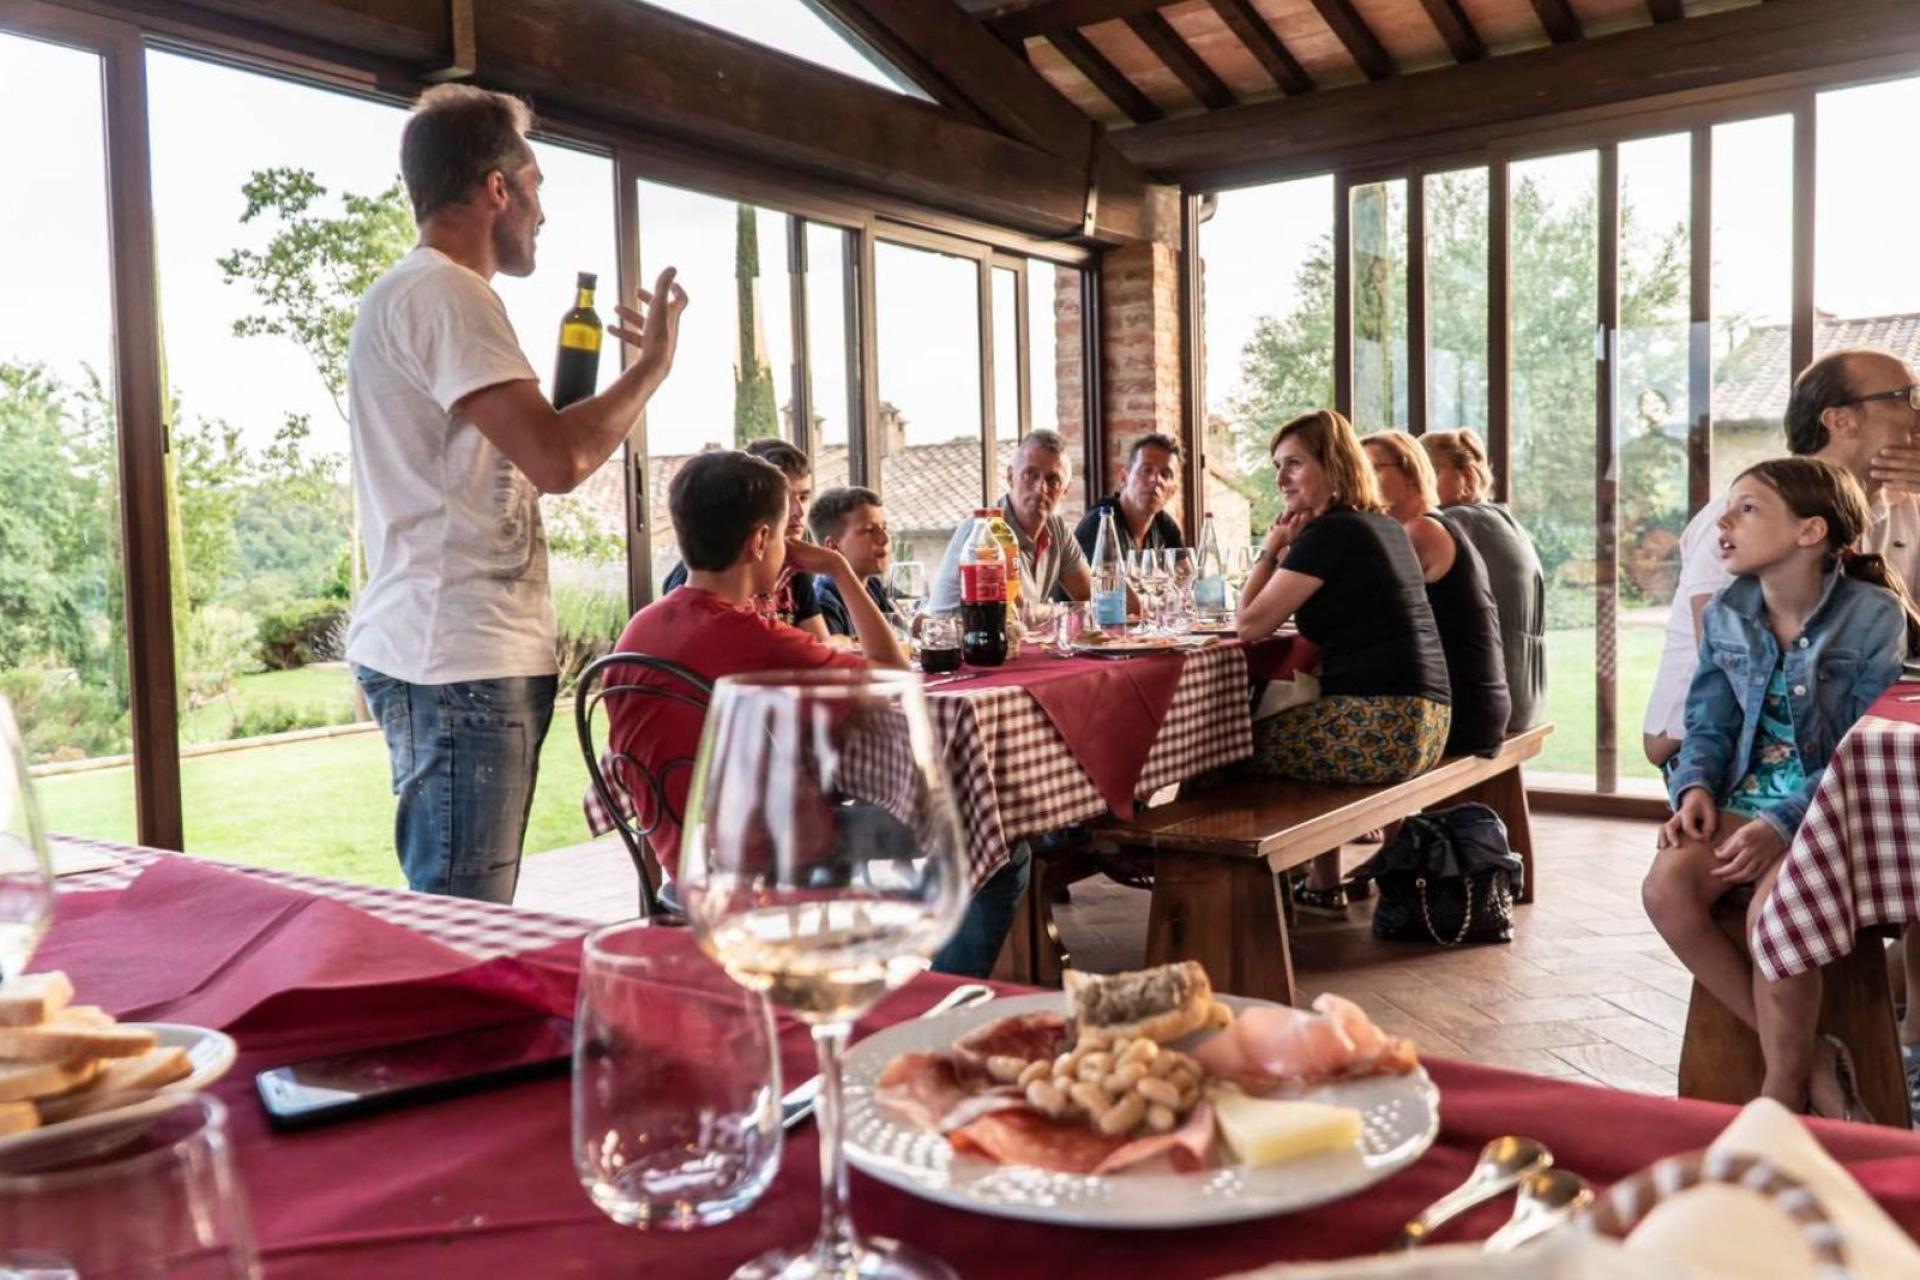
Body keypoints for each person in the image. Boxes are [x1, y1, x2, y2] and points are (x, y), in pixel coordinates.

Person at [345, 84, 685, 904]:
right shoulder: (445, 293)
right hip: (457, 656)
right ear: (498, 187)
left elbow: (535, 448)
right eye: (534, 186)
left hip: (453, 652)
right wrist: (652, 369)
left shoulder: (429, 295)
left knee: (466, 914)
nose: (541, 211)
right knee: (467, 925)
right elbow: (560, 460)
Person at [608, 450, 1026, 978]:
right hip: (773, 859)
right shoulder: (749, 637)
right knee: (1001, 850)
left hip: (686, 856)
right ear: (761, 542)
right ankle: (934, 997)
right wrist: (837, 568)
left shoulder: (639, 628)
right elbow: (891, 670)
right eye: (784, 534)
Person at [1642, 458, 1915, 1118]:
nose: (1723, 526)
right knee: (1666, 889)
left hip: (1834, 812)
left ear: (1810, 531)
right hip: (1747, 801)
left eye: (1747, 510)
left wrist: (1784, 826)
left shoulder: (1874, 616)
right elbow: (1709, 719)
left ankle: (1781, 1092)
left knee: (1775, 913)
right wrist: (1697, 790)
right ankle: (1811, 1057)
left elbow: (1860, 741)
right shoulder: (1731, 611)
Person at [1643, 348, 1920, 769]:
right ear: (1840, 420)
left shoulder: (1905, 506)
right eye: (1907, 396)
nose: (1917, 411)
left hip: (1840, 736)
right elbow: (1728, 672)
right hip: (1725, 745)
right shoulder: (1745, 516)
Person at [1237, 410, 1451, 915]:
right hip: (1427, 722)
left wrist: (1271, 548)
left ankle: (1244, 900)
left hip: (1381, 728)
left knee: (1225, 748)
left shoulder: (1330, 534)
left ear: (1332, 464)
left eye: (1294, 464)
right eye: (1277, 466)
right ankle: (1313, 878)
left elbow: (1248, 625)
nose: (1281, 477)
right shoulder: (1381, 525)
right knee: (1263, 730)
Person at [1364, 432, 1510, 757]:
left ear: (1413, 473)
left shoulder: (1419, 531)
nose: (1364, 481)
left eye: (1374, 469)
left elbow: (1365, 617)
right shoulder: (1432, 524)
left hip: (1461, 712)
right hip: (1476, 704)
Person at [1420, 429, 1547, 735]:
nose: (1421, 484)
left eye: (1430, 473)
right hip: (1530, 697)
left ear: (1468, 475)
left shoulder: (1458, 521)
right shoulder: (1504, 519)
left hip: (1497, 699)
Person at [662, 437, 826, 638]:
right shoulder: (701, 574)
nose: (798, 511)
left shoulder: (795, 569)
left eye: (803, 497)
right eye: (786, 500)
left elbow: (821, 644)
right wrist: (839, 568)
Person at [931, 429, 1094, 610]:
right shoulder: (986, 531)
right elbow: (1016, 614)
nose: (1041, 489)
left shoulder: (1057, 529)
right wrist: (1062, 612)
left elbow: (1091, 597)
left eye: (1053, 480)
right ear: (1010, 476)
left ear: (1065, 491)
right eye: (1031, 474)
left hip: (1014, 637)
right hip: (957, 636)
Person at [1074, 432, 1184, 562]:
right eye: (1147, 470)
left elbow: (1186, 575)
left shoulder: (1164, 526)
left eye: (1165, 474)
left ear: (1173, 491)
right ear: (1124, 478)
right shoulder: (1101, 523)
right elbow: (1098, 580)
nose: (1156, 479)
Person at [807, 486, 900, 638]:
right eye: (869, 530)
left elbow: (908, 620)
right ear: (834, 547)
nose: (884, 539)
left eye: (884, 527)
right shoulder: (824, 604)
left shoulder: (873, 587)